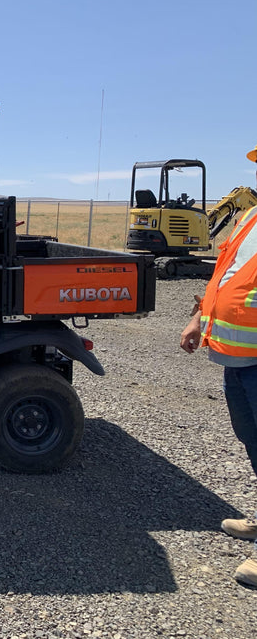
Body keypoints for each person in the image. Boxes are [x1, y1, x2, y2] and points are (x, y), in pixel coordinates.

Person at [180, 144, 257, 589]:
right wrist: (197, 318)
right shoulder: (250, 218)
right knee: (252, 439)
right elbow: (224, 275)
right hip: (238, 356)